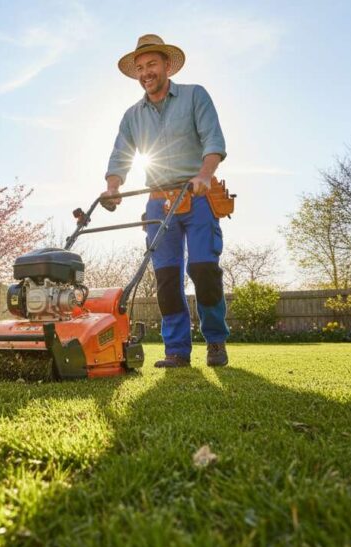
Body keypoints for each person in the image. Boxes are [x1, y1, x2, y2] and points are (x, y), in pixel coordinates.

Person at [103, 34, 229, 368]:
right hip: (158, 203)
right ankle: (176, 350)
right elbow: (121, 155)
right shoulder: (132, 115)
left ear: (167, 66)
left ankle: (216, 341)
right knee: (167, 277)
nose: (146, 72)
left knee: (203, 268)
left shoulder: (194, 95)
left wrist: (204, 174)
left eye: (152, 64)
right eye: (140, 68)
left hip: (197, 195)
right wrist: (113, 187)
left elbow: (213, 140)